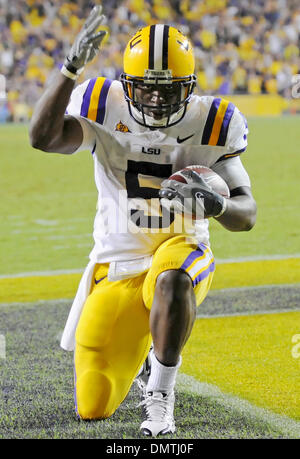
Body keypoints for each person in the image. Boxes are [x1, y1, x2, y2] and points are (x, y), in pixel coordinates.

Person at [29, 5, 257, 437]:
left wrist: (217, 206)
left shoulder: (213, 121)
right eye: (145, 88)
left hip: (181, 248)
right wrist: (69, 68)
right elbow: (42, 138)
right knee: (93, 404)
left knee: (172, 279)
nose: (155, 99)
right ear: (126, 84)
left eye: (167, 89)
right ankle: (146, 355)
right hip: (119, 257)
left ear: (189, 86)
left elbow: (247, 212)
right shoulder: (103, 102)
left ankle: (161, 393)